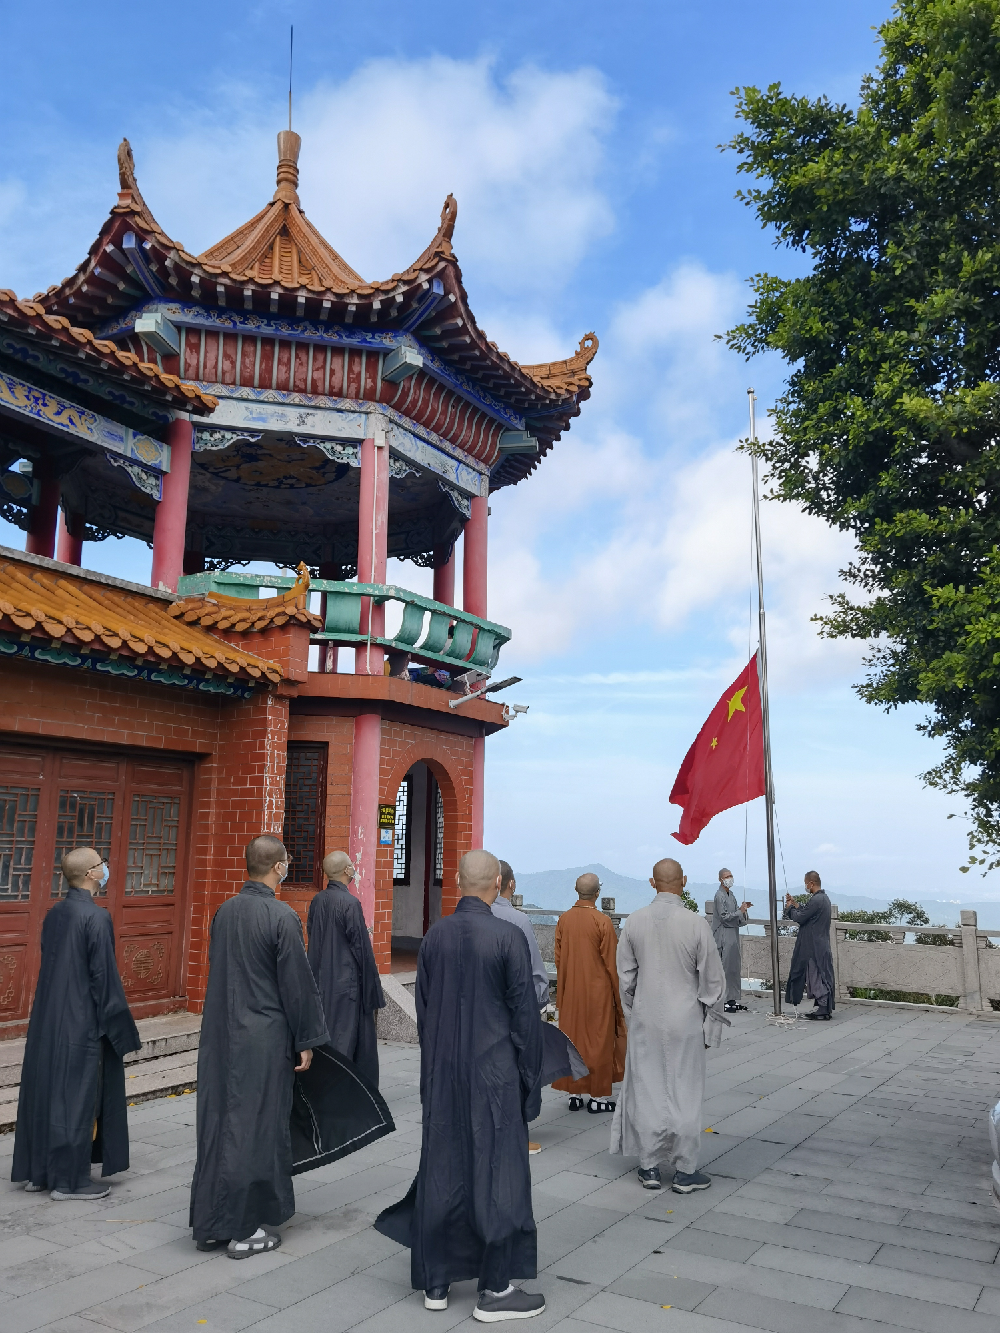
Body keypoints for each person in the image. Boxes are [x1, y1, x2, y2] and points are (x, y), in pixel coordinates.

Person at [375, 850, 545, 1323]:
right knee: (497, 1172)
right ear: (497, 881)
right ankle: (495, 1288)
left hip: (444, 1070)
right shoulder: (508, 936)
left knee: (443, 1165)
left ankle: (436, 1279)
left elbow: (425, 1014)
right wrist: (530, 1079)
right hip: (493, 1074)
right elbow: (525, 1020)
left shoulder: (434, 938)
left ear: (456, 881)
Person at [189, 834, 329, 1259]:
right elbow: (297, 987)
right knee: (254, 1128)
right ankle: (243, 1227)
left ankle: (211, 1221)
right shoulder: (281, 916)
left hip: (221, 1035)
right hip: (263, 1037)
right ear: (279, 867)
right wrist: (306, 1039)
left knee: (219, 1123)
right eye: (286, 863)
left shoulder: (225, 912)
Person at [12, 847, 141, 1200]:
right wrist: (121, 1031)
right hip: (82, 1021)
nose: (106, 868)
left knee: (48, 1092)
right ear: (89, 874)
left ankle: (40, 1173)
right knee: (77, 1098)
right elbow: (104, 979)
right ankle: (69, 1181)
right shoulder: (96, 918)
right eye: (101, 864)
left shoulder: (56, 913)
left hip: (49, 1018)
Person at [611, 857, 725, 1194]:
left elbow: (625, 976)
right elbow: (713, 980)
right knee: (684, 1089)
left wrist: (634, 1012)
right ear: (684, 882)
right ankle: (685, 1170)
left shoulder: (634, 922)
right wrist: (708, 1019)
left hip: (647, 1013)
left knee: (647, 1088)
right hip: (685, 1015)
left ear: (652, 883)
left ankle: (648, 1167)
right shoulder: (695, 924)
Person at [307, 850, 385, 1085]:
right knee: (345, 1035)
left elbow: (312, 933)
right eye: (351, 865)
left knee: (327, 1031)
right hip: (346, 982)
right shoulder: (350, 903)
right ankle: (344, 1085)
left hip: (321, 978)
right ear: (346, 871)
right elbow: (361, 947)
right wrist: (372, 990)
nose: (353, 868)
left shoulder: (318, 900)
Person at [552, 872, 624, 1113]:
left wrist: (562, 991)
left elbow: (559, 959)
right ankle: (598, 1098)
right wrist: (618, 998)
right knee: (599, 1043)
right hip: (598, 993)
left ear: (576, 890)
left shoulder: (564, 920)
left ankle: (575, 1093)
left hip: (571, 991)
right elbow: (612, 965)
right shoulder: (602, 922)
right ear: (597, 893)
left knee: (573, 1041)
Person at [492, 861, 549, 1008]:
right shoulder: (519, 920)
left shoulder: (471, 916)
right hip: (511, 1005)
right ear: (511, 884)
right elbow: (535, 972)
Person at [784, 871, 835, 1020]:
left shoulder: (817, 900)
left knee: (815, 975)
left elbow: (801, 917)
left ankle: (823, 1007)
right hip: (821, 942)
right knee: (820, 974)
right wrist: (795, 904)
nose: (805, 886)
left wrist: (789, 909)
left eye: (806, 883)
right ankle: (822, 1007)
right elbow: (808, 913)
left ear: (811, 883)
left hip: (813, 946)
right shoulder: (824, 899)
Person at [712, 868, 752, 1013]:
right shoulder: (719, 896)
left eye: (731, 876)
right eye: (727, 876)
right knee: (725, 968)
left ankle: (732, 999)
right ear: (720, 879)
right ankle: (722, 1000)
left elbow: (736, 915)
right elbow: (724, 918)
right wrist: (739, 911)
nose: (730, 878)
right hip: (723, 935)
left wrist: (743, 911)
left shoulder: (731, 895)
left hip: (733, 935)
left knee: (733, 968)